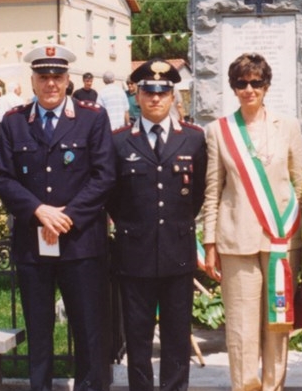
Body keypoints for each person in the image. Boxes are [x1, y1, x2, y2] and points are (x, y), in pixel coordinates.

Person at [0, 44, 116, 391]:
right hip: (33, 244)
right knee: (39, 330)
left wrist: (68, 216)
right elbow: (3, 177)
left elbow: (104, 175)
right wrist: (38, 210)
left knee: (88, 330)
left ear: (67, 80)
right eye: (43, 77)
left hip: (81, 243)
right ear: (32, 80)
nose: (50, 84)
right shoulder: (14, 122)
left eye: (57, 77)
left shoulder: (92, 118)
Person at [201, 52, 302, 391]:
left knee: (278, 324)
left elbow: (299, 183)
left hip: (281, 239)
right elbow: (213, 190)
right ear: (233, 87)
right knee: (242, 327)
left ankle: (274, 387)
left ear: (266, 86)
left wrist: (299, 234)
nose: (249, 89)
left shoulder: (288, 127)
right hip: (236, 240)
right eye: (241, 83)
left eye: (256, 83)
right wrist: (210, 242)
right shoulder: (219, 131)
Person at [106, 58, 207, 391]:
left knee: (177, 338)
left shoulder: (193, 139)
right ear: (137, 95)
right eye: (148, 92)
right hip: (134, 253)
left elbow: (197, 194)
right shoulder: (119, 141)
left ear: (172, 96)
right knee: (137, 339)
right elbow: (112, 197)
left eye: (162, 92)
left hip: (177, 252)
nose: (155, 99)